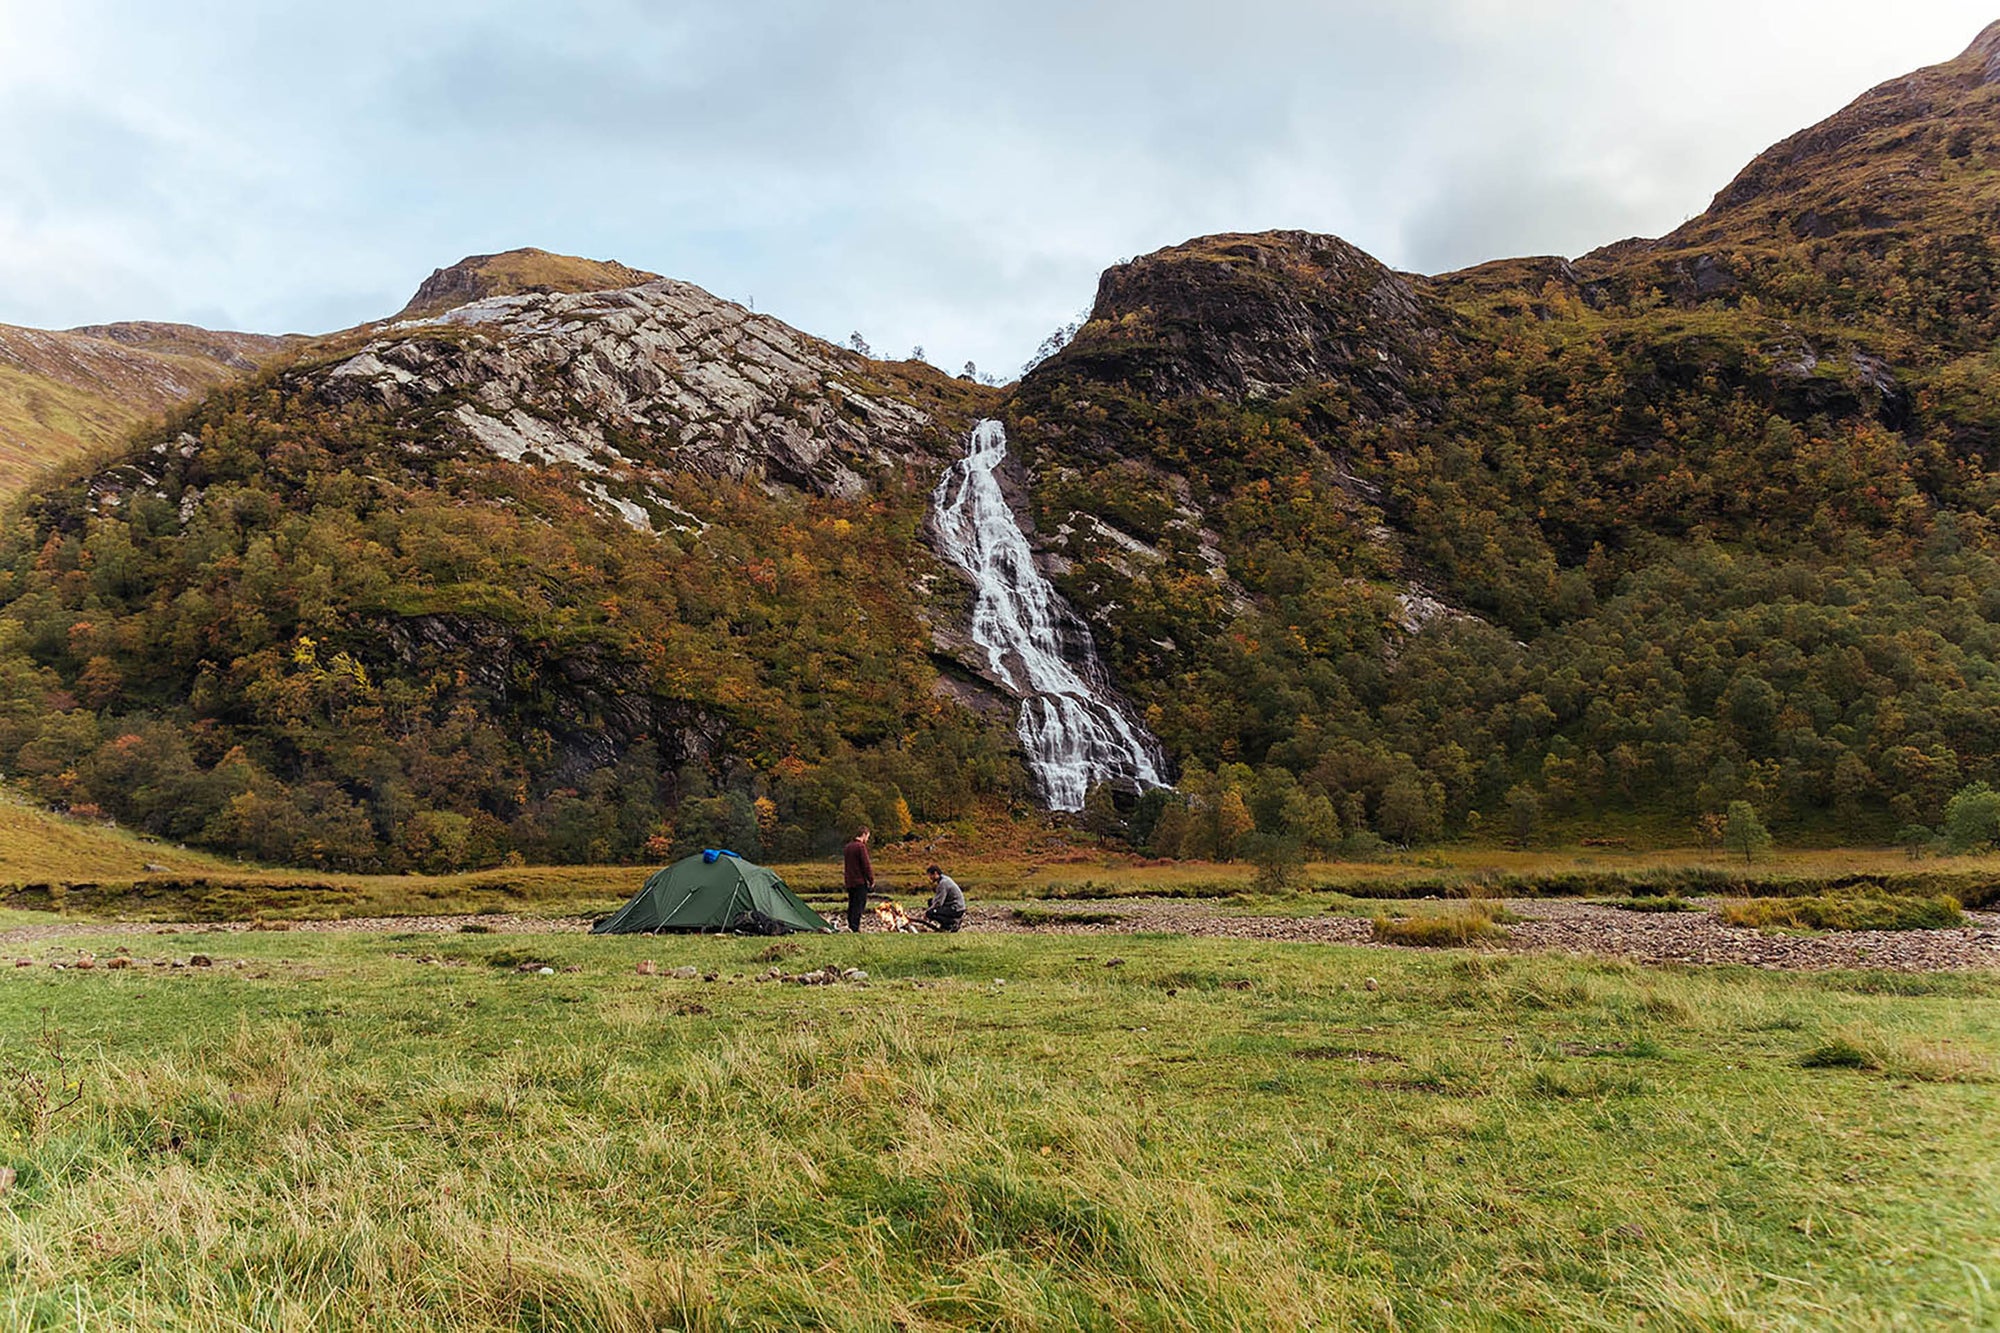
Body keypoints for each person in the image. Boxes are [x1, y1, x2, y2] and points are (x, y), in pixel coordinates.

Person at [842, 826, 874, 932]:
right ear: (864, 834)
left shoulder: (847, 847)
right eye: (867, 837)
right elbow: (866, 865)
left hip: (849, 881)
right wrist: (871, 880)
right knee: (859, 904)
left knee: (852, 904)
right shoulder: (860, 847)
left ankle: (851, 924)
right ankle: (855, 927)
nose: (867, 840)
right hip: (859, 881)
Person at [922, 864, 966, 932]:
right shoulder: (945, 879)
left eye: (930, 875)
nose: (930, 878)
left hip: (956, 908)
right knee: (930, 902)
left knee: (931, 913)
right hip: (955, 906)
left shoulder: (943, 883)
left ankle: (951, 923)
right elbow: (937, 899)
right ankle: (947, 923)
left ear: (936, 873)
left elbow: (939, 902)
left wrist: (927, 912)